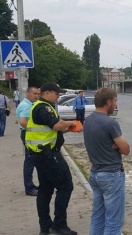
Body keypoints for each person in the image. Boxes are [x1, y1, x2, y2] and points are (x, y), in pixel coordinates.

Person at [25, 82, 78, 235]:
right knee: (65, 186)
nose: (58, 96)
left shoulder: (39, 107)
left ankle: (45, 226)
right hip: (48, 156)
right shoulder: (43, 107)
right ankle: (59, 225)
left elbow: (52, 131)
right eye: (57, 94)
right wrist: (73, 123)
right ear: (47, 92)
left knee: (45, 190)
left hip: (41, 154)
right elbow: (56, 125)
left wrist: (68, 129)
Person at [83, 87, 130, 235]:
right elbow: (126, 149)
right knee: (114, 222)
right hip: (111, 175)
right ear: (108, 102)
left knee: (98, 217)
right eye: (115, 101)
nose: (116, 105)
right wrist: (118, 146)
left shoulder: (88, 120)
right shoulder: (110, 123)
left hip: (95, 174)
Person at [16, 86, 40, 196]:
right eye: (34, 93)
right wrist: (35, 132)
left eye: (38, 94)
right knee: (30, 161)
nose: (36, 96)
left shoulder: (29, 104)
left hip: (27, 134)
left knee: (31, 160)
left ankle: (30, 185)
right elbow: (23, 122)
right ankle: (29, 188)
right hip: (27, 134)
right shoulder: (26, 106)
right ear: (28, 93)